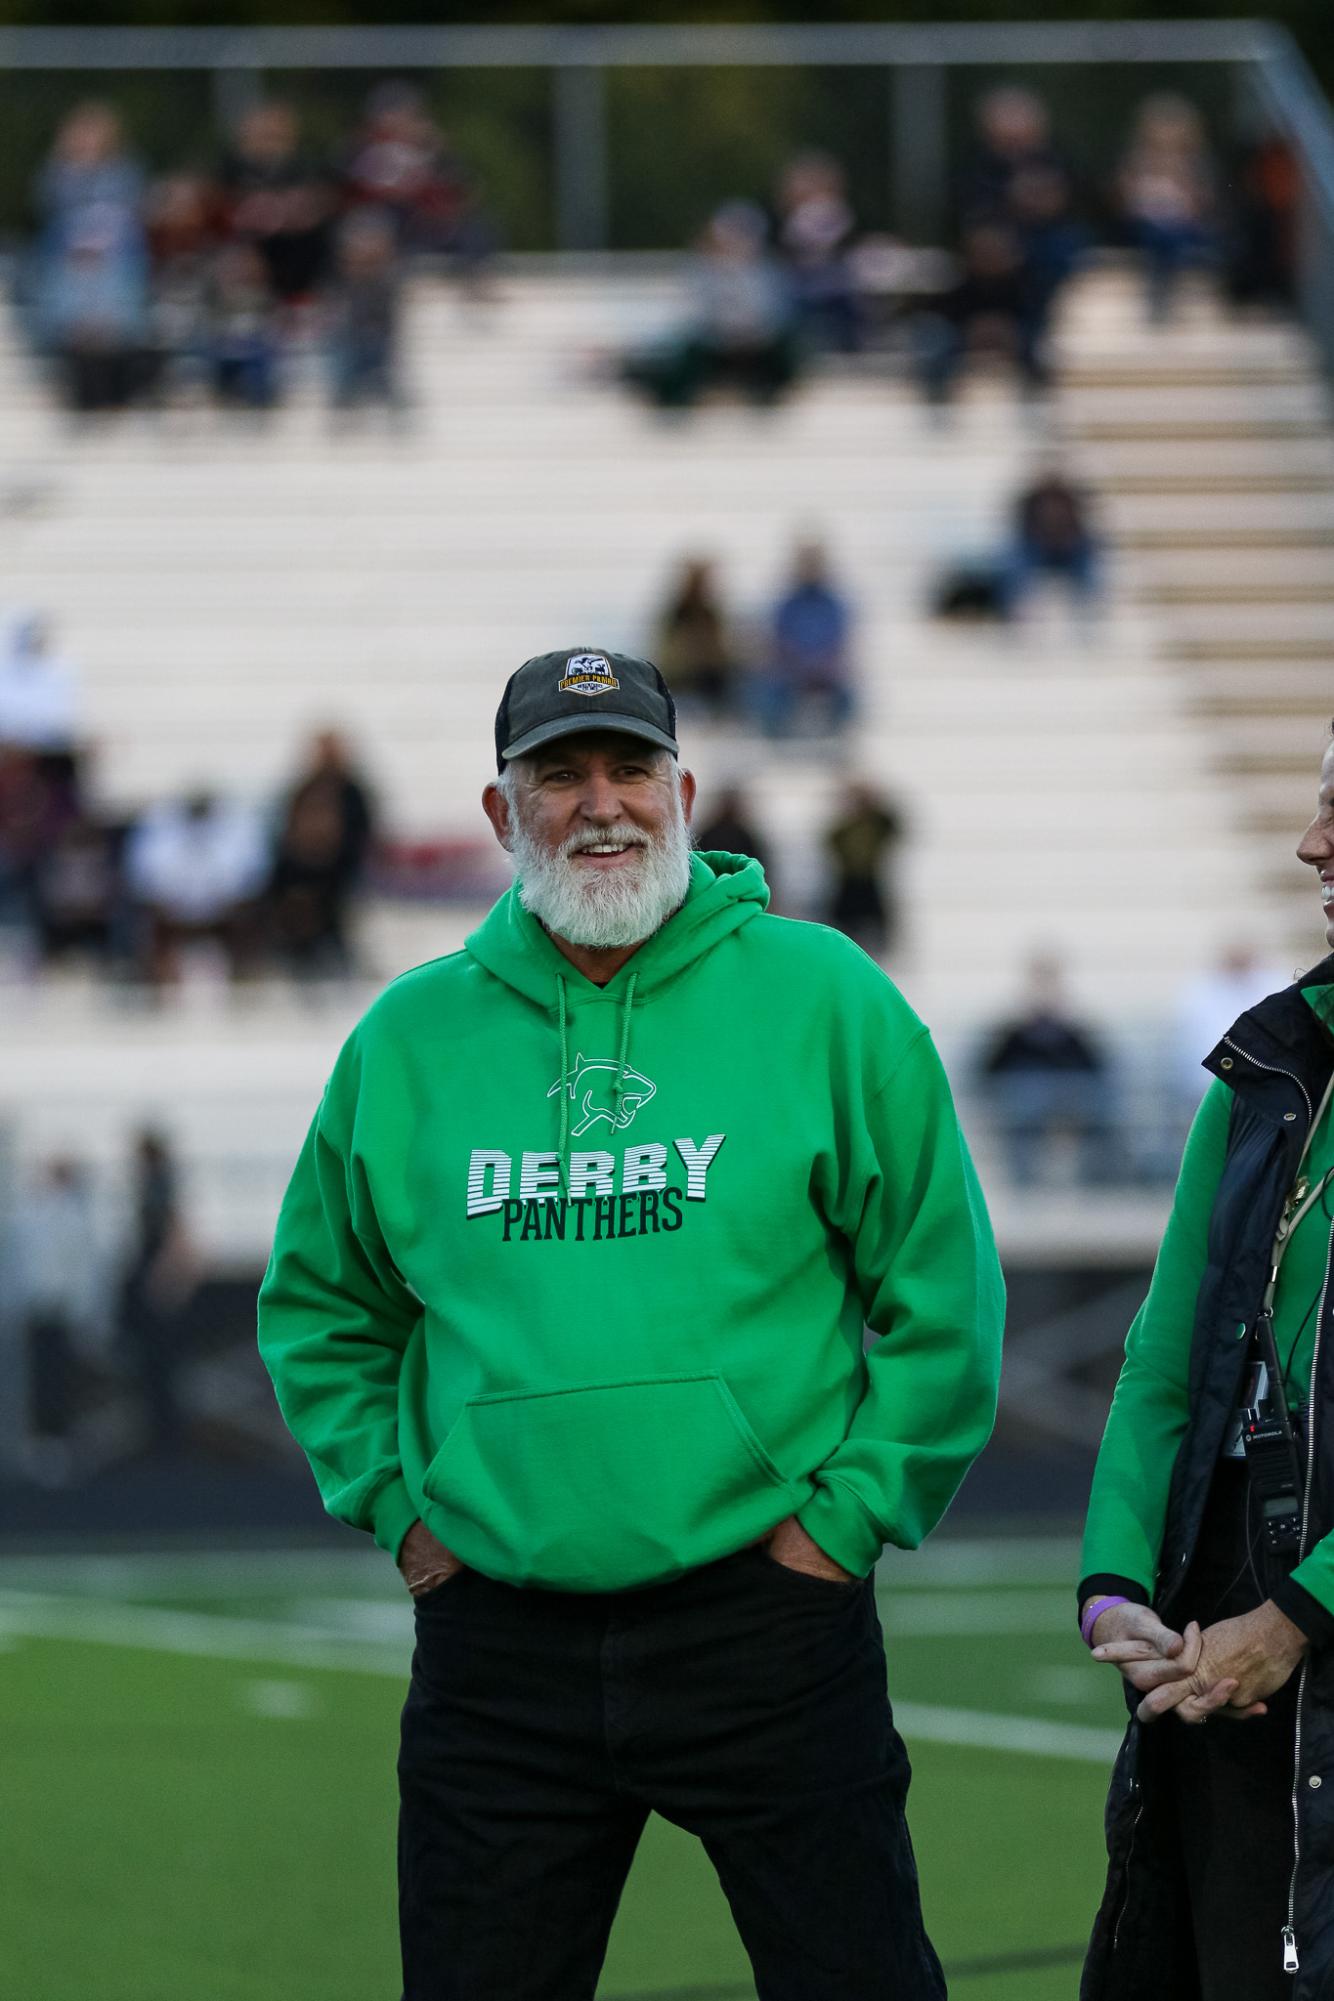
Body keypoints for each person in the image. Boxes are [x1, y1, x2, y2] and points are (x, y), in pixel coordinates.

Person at [258, 645, 1004, 2000]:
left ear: (686, 791)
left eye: (630, 769)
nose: (600, 803)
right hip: (498, 1647)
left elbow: (943, 1296)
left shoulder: (825, 998)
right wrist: (402, 1516)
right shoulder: (407, 1038)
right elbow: (321, 1308)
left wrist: (842, 1523)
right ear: (501, 813)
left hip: (767, 1623)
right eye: (558, 774)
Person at [1079, 727, 1334, 1999]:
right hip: (1224, 1658)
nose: (1311, 843)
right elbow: (1160, 1368)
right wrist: (1114, 1583)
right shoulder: (1266, 1069)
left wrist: (1296, 1617)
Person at [979, 955, 1116, 1186]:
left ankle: (1093, 1182)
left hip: (1069, 1107)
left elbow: (1098, 1072)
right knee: (1025, 1097)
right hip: (1026, 1111)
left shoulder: (1074, 1034)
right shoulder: (1011, 1035)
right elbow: (988, 1073)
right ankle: (1024, 1183)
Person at [1116, 95, 1219, 323]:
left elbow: (1204, 203)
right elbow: (1125, 201)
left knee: (1172, 235)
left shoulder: (1196, 163)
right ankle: (1162, 292)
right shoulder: (1137, 160)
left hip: (1182, 225)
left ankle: (1162, 293)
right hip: (1145, 225)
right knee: (1161, 236)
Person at [755, 538, 855, 737]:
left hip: (826, 675)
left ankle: (837, 741)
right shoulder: (786, 603)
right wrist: (800, 667)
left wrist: (820, 668)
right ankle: (777, 740)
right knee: (764, 695)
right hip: (791, 675)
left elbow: (838, 643)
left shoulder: (833, 604)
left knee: (848, 698)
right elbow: (778, 641)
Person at [822, 781, 906, 960]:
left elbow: (891, 824)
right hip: (848, 883)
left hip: (871, 881)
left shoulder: (878, 824)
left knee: (875, 932)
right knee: (846, 927)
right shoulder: (843, 828)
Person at [651, 556, 742, 719]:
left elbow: (722, 652)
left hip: (711, 683)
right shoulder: (676, 615)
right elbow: (668, 656)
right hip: (680, 683)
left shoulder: (711, 614)